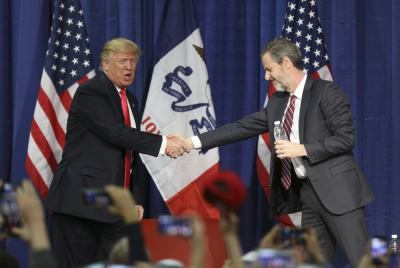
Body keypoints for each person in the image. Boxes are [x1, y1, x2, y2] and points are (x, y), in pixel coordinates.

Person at [178, 37, 375, 267]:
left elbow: (345, 139)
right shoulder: (277, 103)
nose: (267, 77)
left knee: (363, 261)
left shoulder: (327, 92)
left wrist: (302, 149)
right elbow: (240, 128)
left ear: (287, 63)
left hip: (340, 194)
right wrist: (191, 142)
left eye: (269, 69)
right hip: (307, 197)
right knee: (313, 263)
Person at [45, 37, 186, 267]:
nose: (129, 67)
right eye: (123, 61)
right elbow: (116, 133)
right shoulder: (92, 92)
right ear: (105, 64)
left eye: (133, 61)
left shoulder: (130, 99)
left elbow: (130, 153)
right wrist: (164, 143)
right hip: (82, 205)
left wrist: (134, 198)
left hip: (114, 208)